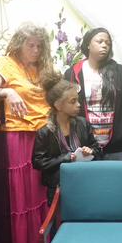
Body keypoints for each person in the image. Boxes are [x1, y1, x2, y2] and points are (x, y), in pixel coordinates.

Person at [0, 23, 51, 243]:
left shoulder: (43, 66)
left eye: (39, 46)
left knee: (41, 193)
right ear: (18, 43)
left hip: (43, 134)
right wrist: (8, 92)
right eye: (30, 45)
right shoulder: (5, 63)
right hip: (18, 136)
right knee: (22, 195)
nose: (35, 50)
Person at [64, 27, 122, 160]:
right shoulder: (73, 73)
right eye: (99, 41)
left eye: (108, 43)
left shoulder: (121, 73)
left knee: (117, 181)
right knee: (88, 181)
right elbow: (65, 106)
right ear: (88, 44)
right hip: (85, 147)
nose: (104, 45)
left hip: (117, 145)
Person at [33, 72, 102, 205]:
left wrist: (91, 151)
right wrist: (65, 158)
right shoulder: (45, 132)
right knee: (60, 220)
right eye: (73, 101)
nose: (78, 105)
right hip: (58, 187)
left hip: (84, 181)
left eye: (77, 99)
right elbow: (38, 162)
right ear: (58, 105)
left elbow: (97, 149)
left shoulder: (83, 123)